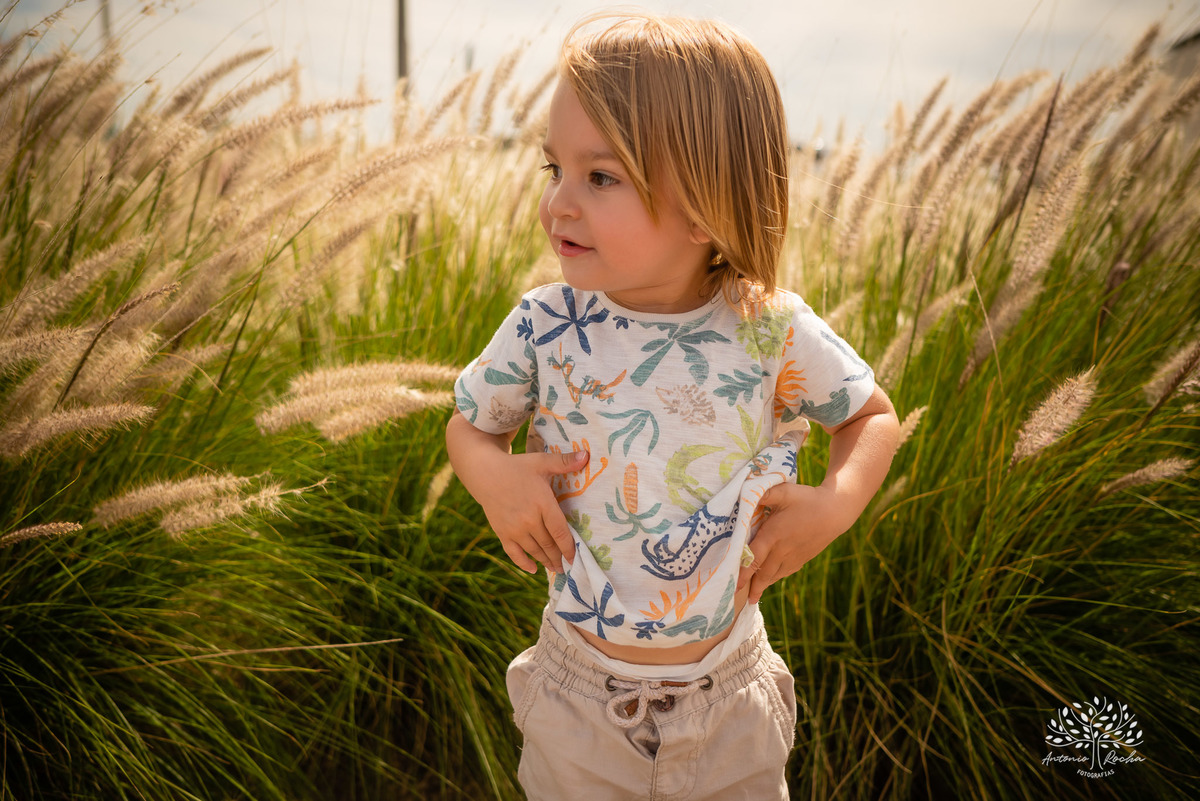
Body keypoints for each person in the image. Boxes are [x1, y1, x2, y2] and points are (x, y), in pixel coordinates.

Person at [445, 12, 899, 800]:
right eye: (554, 168)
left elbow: (870, 416)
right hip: (579, 694)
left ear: (704, 204)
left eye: (601, 176)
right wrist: (494, 478)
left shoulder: (769, 328)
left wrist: (833, 503)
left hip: (730, 697)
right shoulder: (547, 322)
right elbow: (469, 427)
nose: (559, 203)